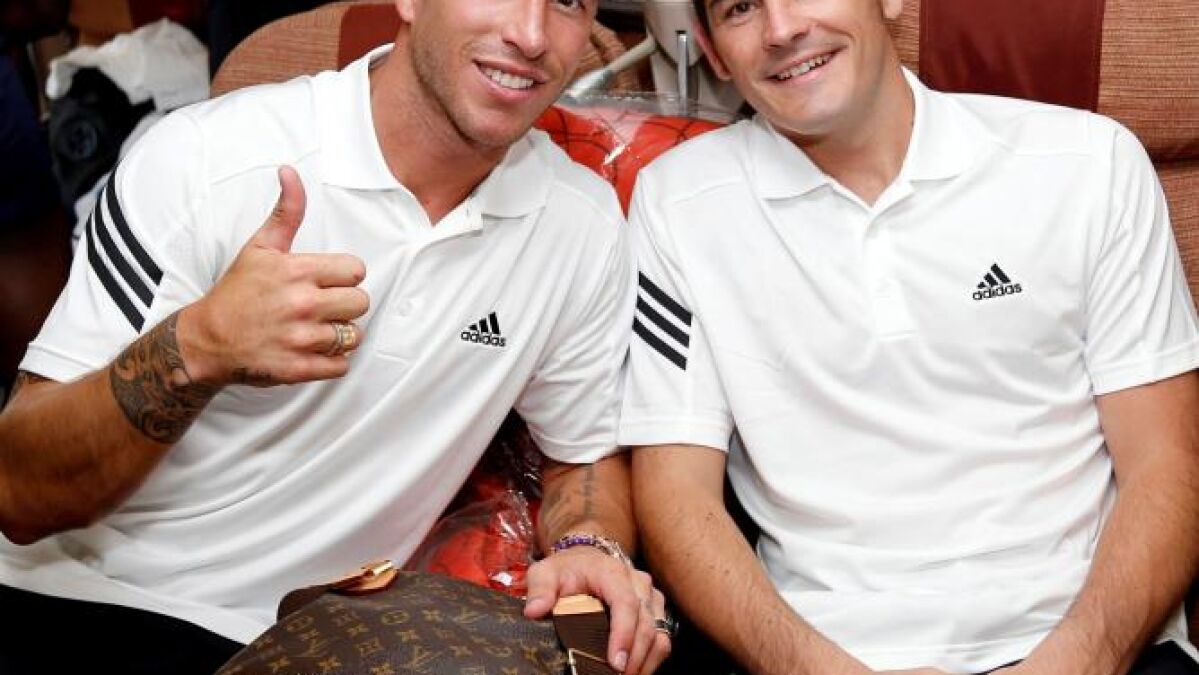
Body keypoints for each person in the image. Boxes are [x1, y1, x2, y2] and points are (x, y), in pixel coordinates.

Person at [0, 1, 671, 673]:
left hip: (310, 641)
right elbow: (17, 494)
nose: (529, 34)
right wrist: (197, 347)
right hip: (69, 596)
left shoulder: (579, 226)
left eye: (567, 2)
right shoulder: (206, 157)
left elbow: (582, 456)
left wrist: (589, 545)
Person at [621, 0, 1199, 673]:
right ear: (714, 50)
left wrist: (1077, 660)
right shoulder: (677, 203)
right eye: (741, 8)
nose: (782, 29)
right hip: (826, 655)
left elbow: (1166, 466)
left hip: (1092, 648)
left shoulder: (1089, 164)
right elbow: (677, 497)